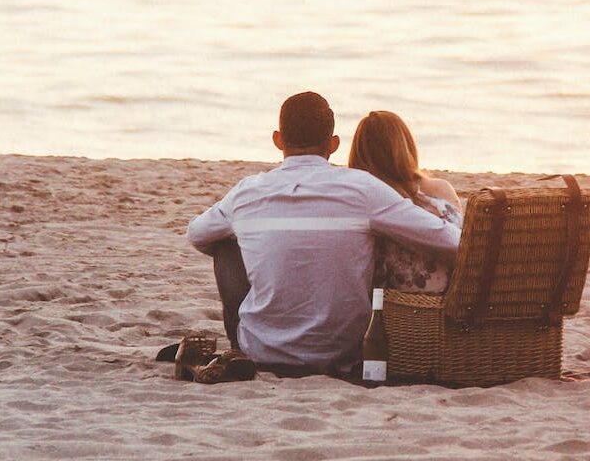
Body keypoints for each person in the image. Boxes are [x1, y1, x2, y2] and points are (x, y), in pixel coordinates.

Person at [186, 92, 461, 375]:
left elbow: (196, 234)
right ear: (333, 144)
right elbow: (449, 241)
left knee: (224, 243)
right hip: (344, 353)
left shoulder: (246, 192)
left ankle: (237, 347)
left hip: (262, 350)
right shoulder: (362, 189)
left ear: (278, 140)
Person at [347, 110, 463, 293]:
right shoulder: (441, 189)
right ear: (406, 145)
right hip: (456, 297)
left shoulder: (368, 200)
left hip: (397, 306)